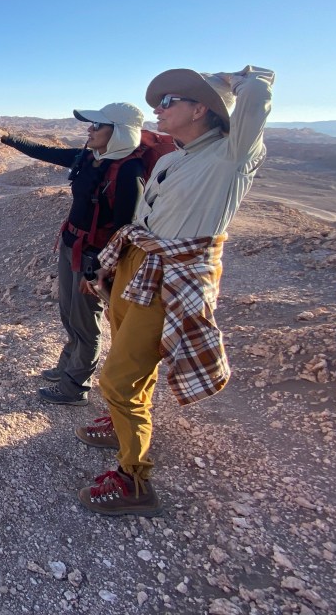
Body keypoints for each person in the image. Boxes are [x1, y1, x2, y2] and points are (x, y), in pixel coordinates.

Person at [76, 66, 275, 517]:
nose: (157, 110)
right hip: (139, 264)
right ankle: (123, 424)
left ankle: (134, 481)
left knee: (117, 379)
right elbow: (145, 222)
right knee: (127, 352)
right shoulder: (171, 160)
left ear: (200, 109)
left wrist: (235, 79)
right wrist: (111, 265)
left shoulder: (230, 158)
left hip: (172, 275)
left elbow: (257, 102)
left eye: (168, 102)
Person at [0, 102, 146, 405]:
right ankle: (68, 367)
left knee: (86, 323)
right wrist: (5, 136)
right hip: (72, 246)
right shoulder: (90, 157)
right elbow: (46, 152)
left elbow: (124, 229)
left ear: (120, 132)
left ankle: (75, 387)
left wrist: (99, 270)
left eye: (97, 125)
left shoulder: (128, 171)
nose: (90, 130)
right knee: (69, 315)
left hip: (93, 258)